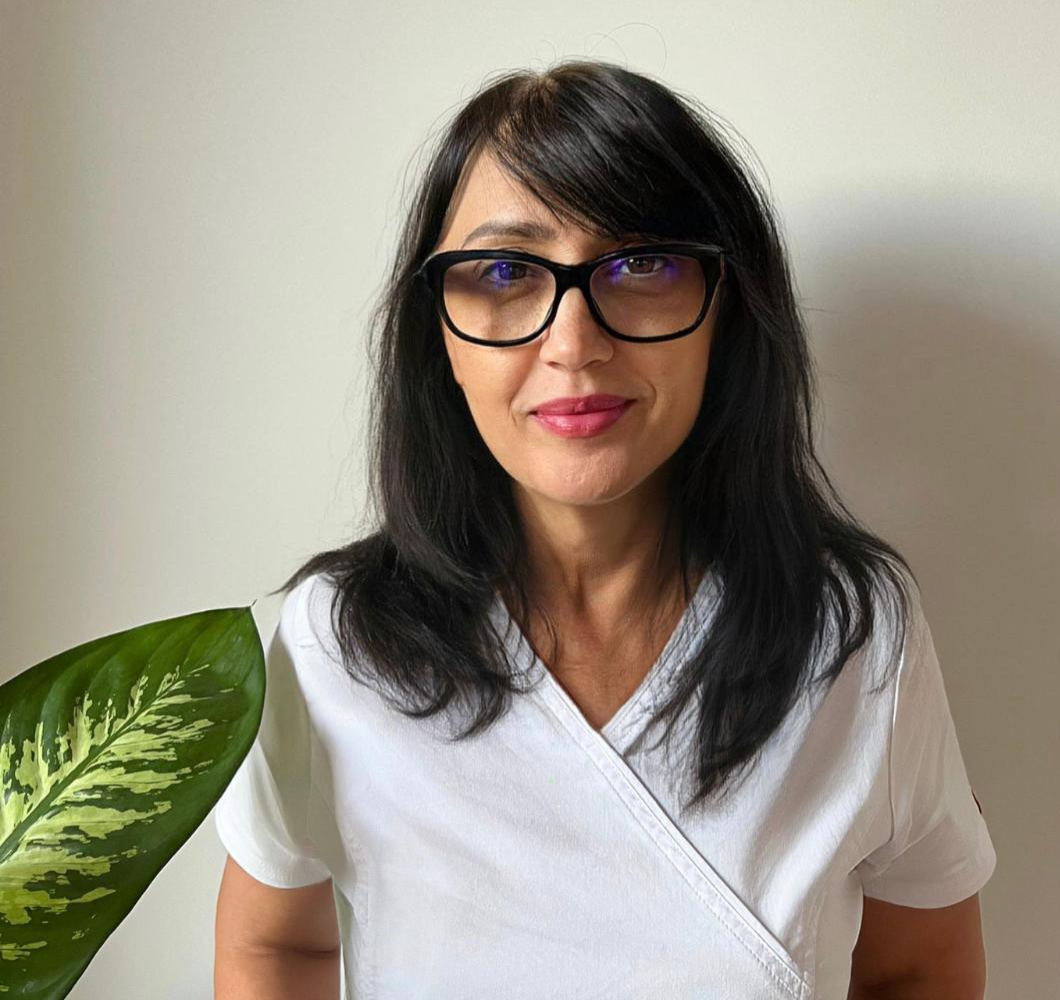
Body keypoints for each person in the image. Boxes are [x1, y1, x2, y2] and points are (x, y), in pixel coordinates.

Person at [212, 59, 997, 999]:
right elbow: (276, 947)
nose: (574, 344)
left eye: (642, 264)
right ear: (440, 336)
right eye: (505, 271)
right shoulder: (336, 641)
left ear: (725, 310)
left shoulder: (857, 637)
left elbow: (919, 968)